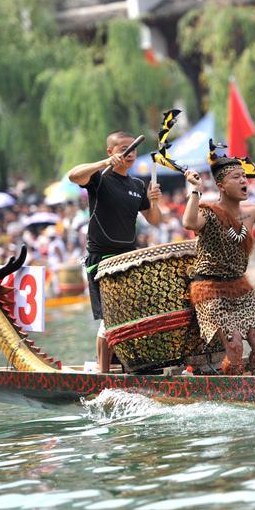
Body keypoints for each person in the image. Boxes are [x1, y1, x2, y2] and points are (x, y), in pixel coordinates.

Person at [182, 155, 255, 375]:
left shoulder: (251, 211)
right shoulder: (209, 212)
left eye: (244, 176)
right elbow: (189, 223)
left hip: (241, 288)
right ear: (221, 186)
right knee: (235, 345)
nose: (244, 181)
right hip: (210, 290)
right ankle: (235, 394)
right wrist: (195, 190)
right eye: (236, 177)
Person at [68, 131, 162, 373]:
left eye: (132, 149)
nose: (128, 153)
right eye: (122, 149)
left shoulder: (137, 185)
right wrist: (104, 163)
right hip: (101, 258)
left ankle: (128, 363)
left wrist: (155, 201)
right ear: (110, 151)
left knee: (133, 313)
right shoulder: (99, 177)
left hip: (128, 258)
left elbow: (154, 220)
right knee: (109, 318)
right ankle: (104, 374)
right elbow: (72, 175)